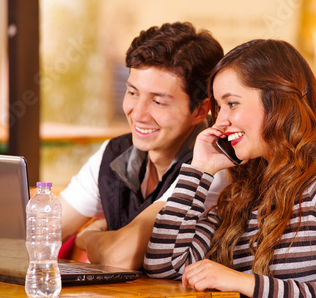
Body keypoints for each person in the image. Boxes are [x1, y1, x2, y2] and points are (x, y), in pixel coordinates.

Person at [144, 39, 316, 298]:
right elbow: (163, 267)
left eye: (233, 104)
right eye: (219, 106)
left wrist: (243, 282)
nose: (220, 122)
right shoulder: (241, 188)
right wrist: (200, 169)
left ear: (278, 101)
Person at [59, 22, 227, 270]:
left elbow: (122, 257)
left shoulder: (212, 168)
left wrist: (88, 237)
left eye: (158, 102)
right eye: (133, 93)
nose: (138, 114)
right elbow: (36, 233)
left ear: (200, 110)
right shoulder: (116, 154)